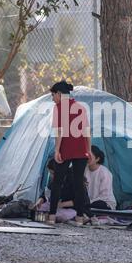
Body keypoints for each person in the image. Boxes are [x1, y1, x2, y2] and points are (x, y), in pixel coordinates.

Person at [49, 81, 91, 225]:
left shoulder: (58, 108)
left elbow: (59, 131)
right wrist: (89, 150)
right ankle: (80, 218)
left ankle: (52, 216)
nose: (52, 98)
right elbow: (87, 131)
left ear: (59, 94)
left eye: (53, 95)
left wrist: (57, 150)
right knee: (79, 184)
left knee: (57, 183)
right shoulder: (80, 107)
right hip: (81, 149)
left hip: (65, 149)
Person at [84, 145, 116, 211]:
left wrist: (88, 201)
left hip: (105, 202)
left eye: (90, 157)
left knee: (98, 204)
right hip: (88, 202)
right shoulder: (84, 170)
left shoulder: (104, 172)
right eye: (86, 157)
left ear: (97, 159)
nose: (87, 159)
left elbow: (104, 196)